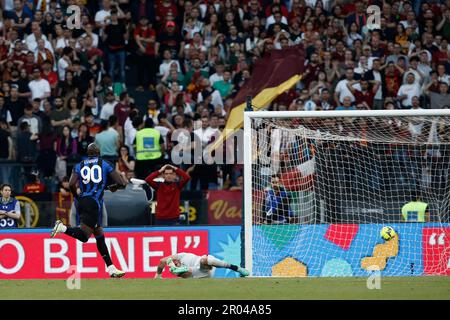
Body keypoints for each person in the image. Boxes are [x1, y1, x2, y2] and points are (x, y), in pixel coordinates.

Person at [50, 143, 128, 278]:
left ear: (88, 153)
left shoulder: (79, 165)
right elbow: (121, 183)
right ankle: (62, 228)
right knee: (84, 236)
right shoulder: (105, 163)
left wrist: (78, 197)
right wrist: (114, 187)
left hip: (83, 201)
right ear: (99, 152)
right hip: (94, 203)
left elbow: (70, 184)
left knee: (99, 235)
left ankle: (111, 268)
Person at [155, 252, 249, 279]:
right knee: (181, 273)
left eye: (174, 261)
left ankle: (237, 268)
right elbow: (163, 262)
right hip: (198, 275)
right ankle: (179, 272)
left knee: (205, 260)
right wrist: (158, 277)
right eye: (174, 263)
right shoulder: (176, 269)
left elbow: (162, 260)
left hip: (203, 266)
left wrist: (158, 275)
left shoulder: (181, 256)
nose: (175, 262)